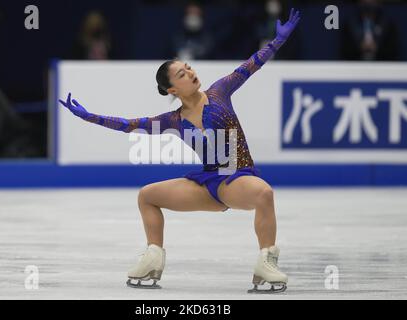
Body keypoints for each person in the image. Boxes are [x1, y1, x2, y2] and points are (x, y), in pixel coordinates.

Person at [60, 9, 300, 293]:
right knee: (147, 196)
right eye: (182, 74)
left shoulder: (219, 92)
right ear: (172, 89)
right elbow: (129, 125)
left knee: (263, 193)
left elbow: (250, 66)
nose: (190, 73)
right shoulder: (173, 121)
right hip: (207, 182)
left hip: (236, 176)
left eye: (188, 68)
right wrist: (89, 117)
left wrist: (276, 42)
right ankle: (152, 258)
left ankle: (266, 261)